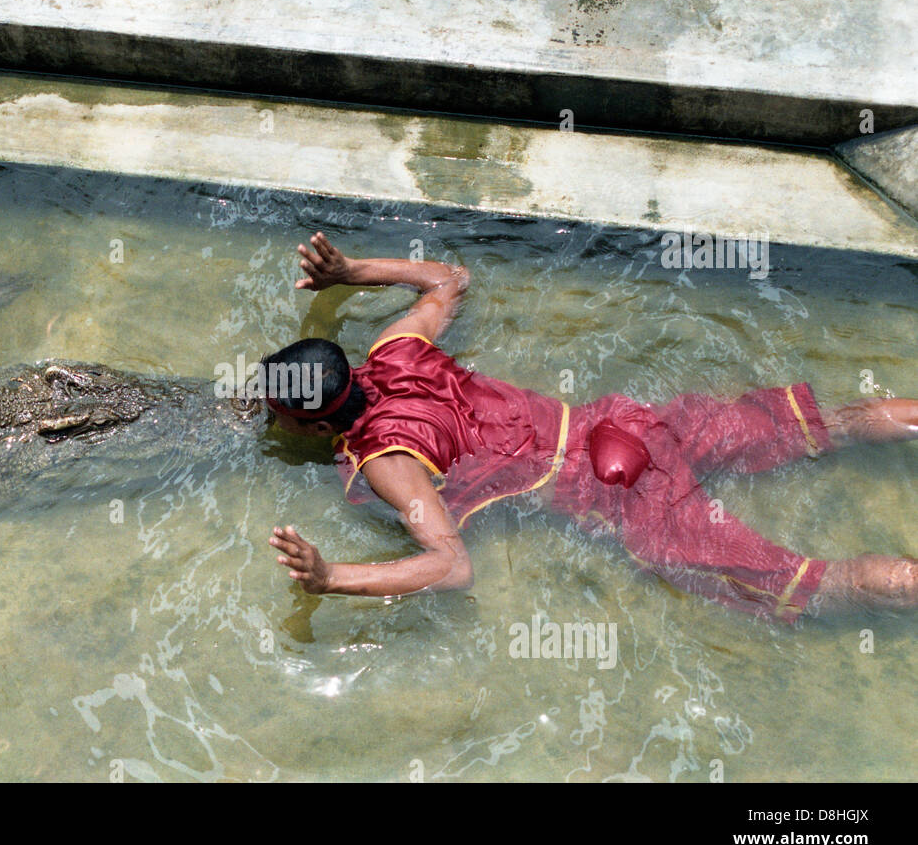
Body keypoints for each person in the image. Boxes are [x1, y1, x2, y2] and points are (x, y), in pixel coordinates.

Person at [265, 233, 918, 623]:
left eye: (278, 412)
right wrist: (353, 272)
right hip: (625, 422)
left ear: (315, 422)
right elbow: (448, 278)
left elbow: (452, 566)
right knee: (827, 424)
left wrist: (333, 578)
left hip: (620, 490)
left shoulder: (386, 460)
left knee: (802, 582)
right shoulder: (395, 348)